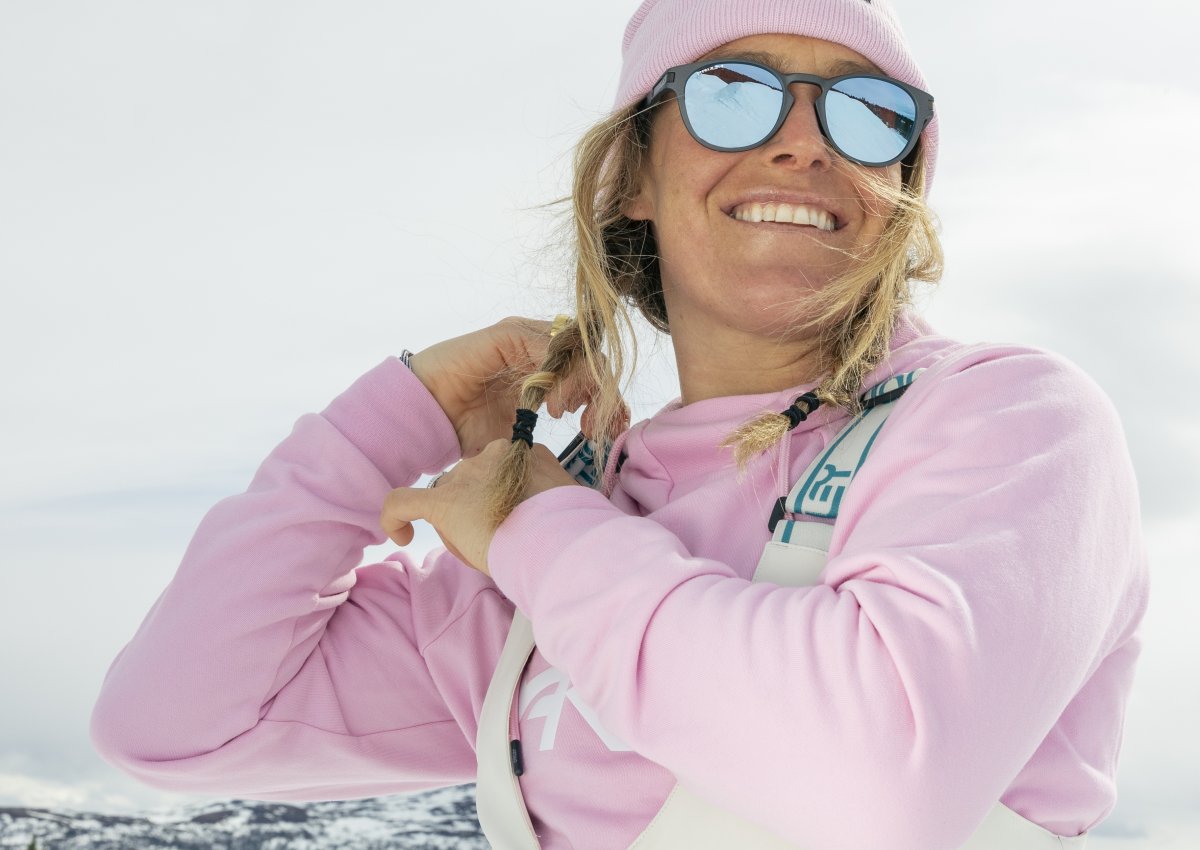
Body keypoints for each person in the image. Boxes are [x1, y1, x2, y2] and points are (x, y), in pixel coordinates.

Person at [89, 1, 1150, 848]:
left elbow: (880, 777)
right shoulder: (528, 577)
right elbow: (172, 723)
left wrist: (539, 532)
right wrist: (394, 421)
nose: (802, 143)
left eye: (867, 111)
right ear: (631, 174)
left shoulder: (1007, 424)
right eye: (733, 93)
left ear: (901, 185)